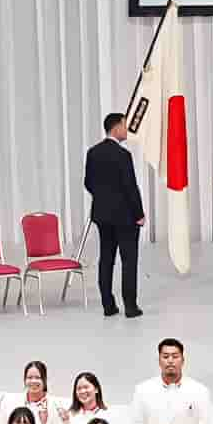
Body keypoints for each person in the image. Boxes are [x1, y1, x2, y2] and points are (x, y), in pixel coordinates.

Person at [84, 112, 147, 318]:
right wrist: (139, 213)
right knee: (128, 260)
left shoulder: (93, 152)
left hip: (103, 215)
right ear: (116, 128)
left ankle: (108, 305)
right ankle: (130, 306)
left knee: (106, 258)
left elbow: (88, 182)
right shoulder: (123, 155)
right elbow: (130, 187)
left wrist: (102, 198)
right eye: (125, 125)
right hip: (125, 216)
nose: (127, 129)